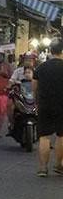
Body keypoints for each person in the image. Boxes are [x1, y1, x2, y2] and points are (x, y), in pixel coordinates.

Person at [33, 39, 63, 177]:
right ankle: (58, 164)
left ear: (50, 51)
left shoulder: (41, 67)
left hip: (45, 104)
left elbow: (34, 87)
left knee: (44, 137)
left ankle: (43, 168)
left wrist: (36, 101)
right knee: (61, 136)